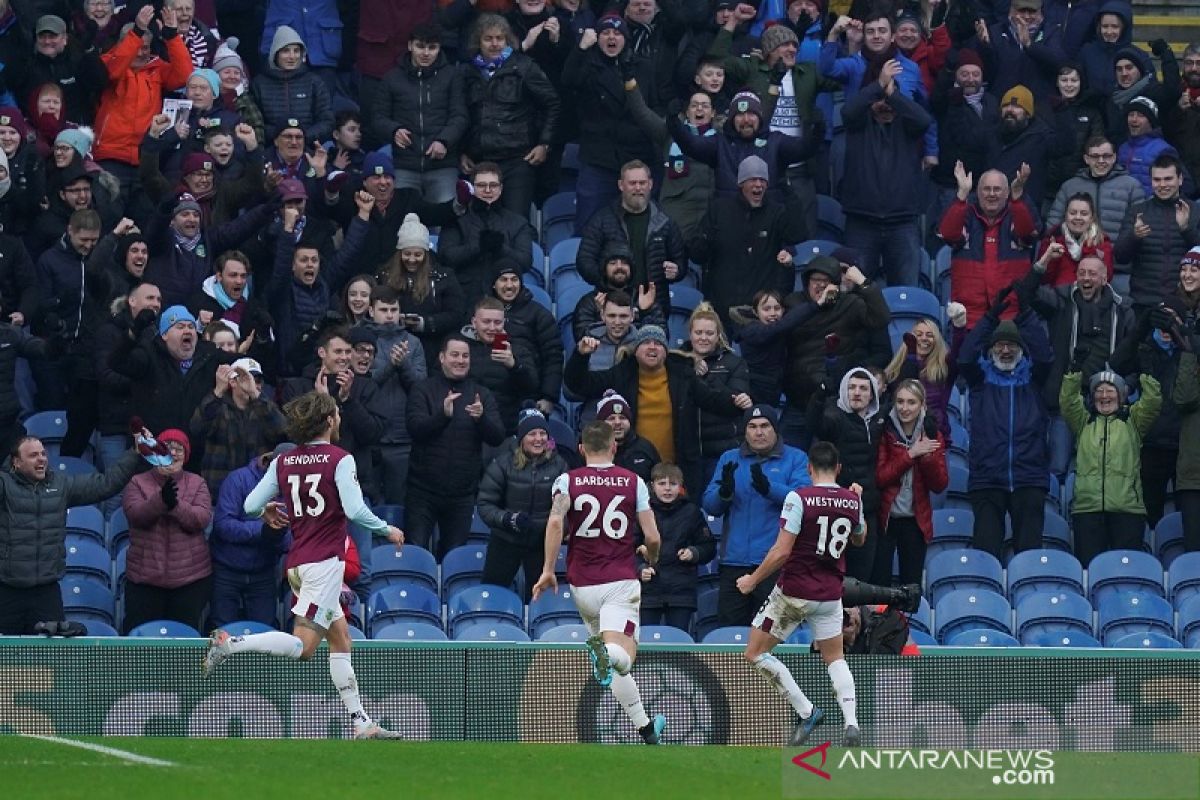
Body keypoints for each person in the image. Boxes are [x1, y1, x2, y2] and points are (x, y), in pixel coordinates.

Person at [203, 391, 406, 740]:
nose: (339, 419)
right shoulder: (340, 459)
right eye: (337, 414)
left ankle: (361, 722)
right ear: (328, 420)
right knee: (304, 649)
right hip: (323, 565)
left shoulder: (284, 462)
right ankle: (231, 644)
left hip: (297, 562)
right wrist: (387, 529)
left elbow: (251, 505)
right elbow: (356, 511)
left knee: (341, 641)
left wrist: (267, 510)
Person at [531, 420, 667, 746]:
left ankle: (647, 728)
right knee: (624, 656)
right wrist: (652, 555)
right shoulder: (633, 481)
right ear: (614, 446)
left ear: (581, 449)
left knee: (615, 667)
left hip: (581, 585)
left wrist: (549, 569)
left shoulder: (567, 480)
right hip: (619, 581)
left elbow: (554, 521)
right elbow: (652, 536)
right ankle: (606, 653)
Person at [737, 440, 866, 747]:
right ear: (838, 469)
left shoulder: (799, 498)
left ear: (809, 468)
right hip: (830, 595)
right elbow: (860, 539)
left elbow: (782, 551)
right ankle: (851, 723)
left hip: (793, 592)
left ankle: (807, 711)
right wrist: (858, 501)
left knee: (755, 652)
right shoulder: (851, 500)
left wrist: (753, 580)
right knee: (834, 658)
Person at [0, 433, 142, 635]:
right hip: (6, 591)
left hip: (46, 593)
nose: (41, 459)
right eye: (33, 455)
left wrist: (135, 453)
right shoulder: (4, 485)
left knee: (51, 661)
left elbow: (105, 484)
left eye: (43, 453)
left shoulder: (60, 485)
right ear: (16, 462)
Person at [959, 291, 1055, 558]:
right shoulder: (980, 379)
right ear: (991, 349)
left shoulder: (1035, 378)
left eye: (1011, 344)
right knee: (986, 552)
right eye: (999, 345)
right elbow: (965, 356)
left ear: (1021, 349)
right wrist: (989, 318)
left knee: (1030, 556)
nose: (1005, 349)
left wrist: (1026, 314)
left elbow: (1045, 356)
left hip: (1029, 477)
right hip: (987, 477)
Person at [702, 403, 811, 625]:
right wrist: (724, 493)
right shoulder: (729, 458)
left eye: (764, 426)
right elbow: (710, 505)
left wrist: (769, 489)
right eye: (752, 426)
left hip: (774, 564)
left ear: (775, 429)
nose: (758, 432)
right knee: (730, 637)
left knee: (773, 635)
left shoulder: (796, 458)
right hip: (734, 562)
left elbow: (804, 501)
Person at [405, 334, 506, 557]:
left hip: (462, 494)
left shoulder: (481, 394)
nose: (460, 360)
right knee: (416, 551)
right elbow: (415, 429)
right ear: (442, 357)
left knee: (454, 554)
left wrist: (482, 419)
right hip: (423, 492)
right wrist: (442, 415)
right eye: (454, 355)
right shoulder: (423, 389)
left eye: (465, 356)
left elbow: (498, 436)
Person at [1061, 363, 1161, 565]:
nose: (1104, 396)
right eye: (1099, 391)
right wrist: (1073, 373)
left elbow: (1152, 403)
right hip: (1087, 510)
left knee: (1126, 573)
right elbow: (1068, 401)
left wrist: (1146, 374)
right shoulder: (1083, 421)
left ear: (1121, 396)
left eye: (1110, 390)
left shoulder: (1133, 421)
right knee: (1090, 570)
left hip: (1127, 511)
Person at [121, 429, 214, 633]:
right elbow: (136, 515)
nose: (173, 453)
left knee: (183, 643)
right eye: (167, 447)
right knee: (141, 640)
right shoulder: (137, 482)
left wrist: (174, 504)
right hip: (145, 580)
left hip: (190, 580)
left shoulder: (197, 483)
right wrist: (160, 500)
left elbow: (200, 519)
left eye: (179, 448)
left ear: (186, 455)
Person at [476, 408, 567, 600]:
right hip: (505, 541)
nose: (538, 439)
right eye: (532, 434)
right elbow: (485, 504)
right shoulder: (502, 464)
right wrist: (508, 519)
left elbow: (568, 508)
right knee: (492, 595)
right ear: (521, 438)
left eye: (543, 433)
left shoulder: (560, 466)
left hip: (542, 543)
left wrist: (556, 529)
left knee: (541, 599)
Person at [209, 442, 295, 629]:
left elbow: (292, 539)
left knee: (264, 633)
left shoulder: (295, 488)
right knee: (221, 631)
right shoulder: (238, 480)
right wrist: (262, 530)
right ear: (273, 465)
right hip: (227, 569)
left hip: (264, 573)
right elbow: (223, 525)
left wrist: (276, 533)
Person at [875, 379, 948, 585]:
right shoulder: (883, 431)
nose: (904, 408)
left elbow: (939, 484)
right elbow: (880, 477)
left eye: (911, 402)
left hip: (916, 520)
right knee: (879, 584)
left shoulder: (933, 434)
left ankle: (910, 619)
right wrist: (911, 454)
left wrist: (926, 458)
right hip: (885, 519)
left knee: (911, 585)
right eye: (900, 401)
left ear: (922, 405)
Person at [639, 462, 716, 631]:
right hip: (648, 590)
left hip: (681, 591)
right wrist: (640, 568)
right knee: (645, 643)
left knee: (678, 645)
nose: (667, 489)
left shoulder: (691, 512)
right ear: (652, 486)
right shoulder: (642, 512)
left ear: (680, 486)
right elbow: (628, 547)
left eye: (673, 484)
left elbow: (709, 546)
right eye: (662, 484)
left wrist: (694, 552)